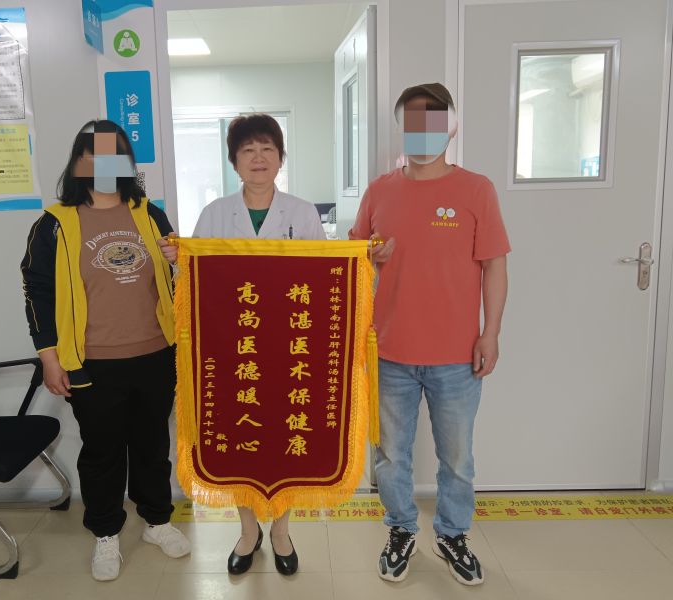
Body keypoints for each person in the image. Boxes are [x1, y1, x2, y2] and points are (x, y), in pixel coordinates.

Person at [349, 83, 510, 586]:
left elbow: (494, 266)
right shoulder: (379, 191)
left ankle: (452, 534)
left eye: (434, 123)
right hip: (389, 352)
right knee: (390, 456)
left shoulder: (476, 189)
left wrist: (490, 333)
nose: (423, 133)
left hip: (457, 356)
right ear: (402, 128)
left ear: (451, 129)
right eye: (414, 122)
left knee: (457, 458)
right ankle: (400, 530)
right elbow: (350, 263)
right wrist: (370, 257)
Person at [21, 119, 190, 582]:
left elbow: (178, 281)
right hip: (91, 360)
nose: (103, 164)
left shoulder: (149, 214)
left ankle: (156, 521)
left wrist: (181, 261)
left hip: (155, 353)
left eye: (114, 154)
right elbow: (37, 292)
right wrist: (49, 357)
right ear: (78, 162)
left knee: (153, 445)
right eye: (92, 155)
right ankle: (105, 533)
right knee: (102, 451)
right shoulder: (54, 224)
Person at [159, 113, 325, 576]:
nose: (258, 158)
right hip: (235, 348)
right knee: (243, 438)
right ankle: (248, 531)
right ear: (234, 161)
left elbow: (322, 274)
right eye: (248, 150)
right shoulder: (215, 214)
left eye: (267, 148)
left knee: (286, 438)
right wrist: (178, 258)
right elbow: (196, 281)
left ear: (281, 158)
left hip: (289, 347)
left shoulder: (303, 213)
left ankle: (282, 531)